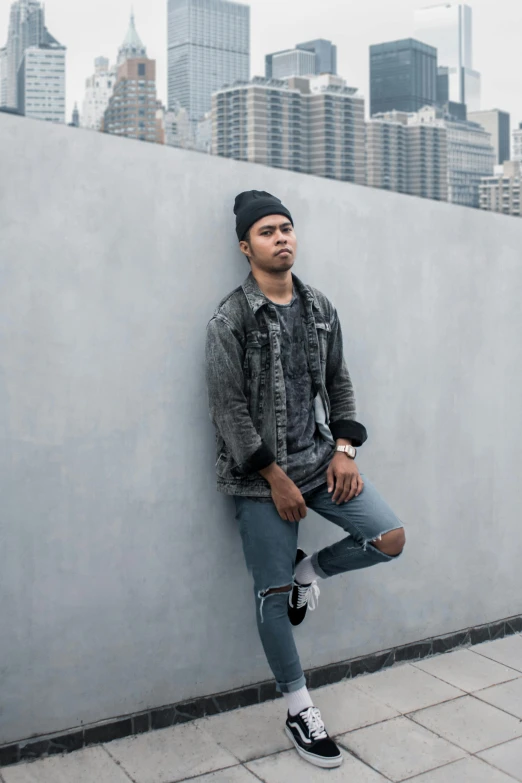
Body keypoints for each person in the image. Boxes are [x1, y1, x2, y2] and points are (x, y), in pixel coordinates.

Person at [205, 190, 406, 769]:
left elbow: (339, 383)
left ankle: (308, 570)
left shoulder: (319, 306)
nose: (281, 238)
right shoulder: (230, 318)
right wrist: (273, 477)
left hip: (320, 460)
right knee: (269, 598)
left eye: (287, 227)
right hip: (258, 479)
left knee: (389, 538)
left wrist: (344, 449)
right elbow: (228, 410)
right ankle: (298, 708)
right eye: (267, 231)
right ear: (247, 247)